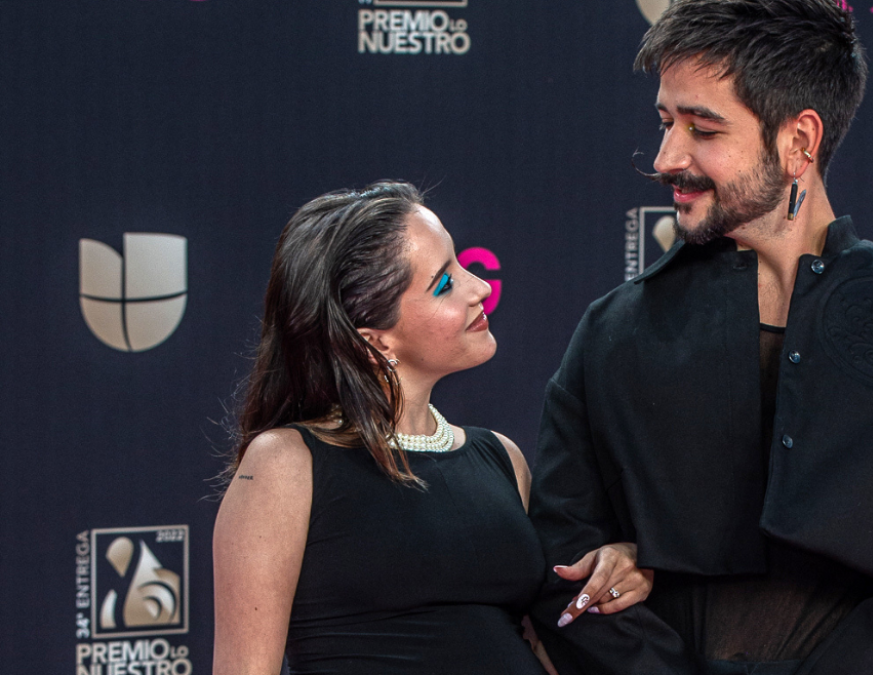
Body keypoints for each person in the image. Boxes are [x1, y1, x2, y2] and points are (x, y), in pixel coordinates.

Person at [527, 2, 873, 674]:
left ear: (798, 142)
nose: (667, 158)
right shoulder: (616, 331)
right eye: (666, 122)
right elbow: (562, 555)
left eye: (703, 128)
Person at [211, 181, 653, 675]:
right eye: (444, 283)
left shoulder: (501, 458)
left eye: (461, 264)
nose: (481, 287)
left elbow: (541, 639)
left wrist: (617, 564)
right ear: (374, 342)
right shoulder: (286, 463)